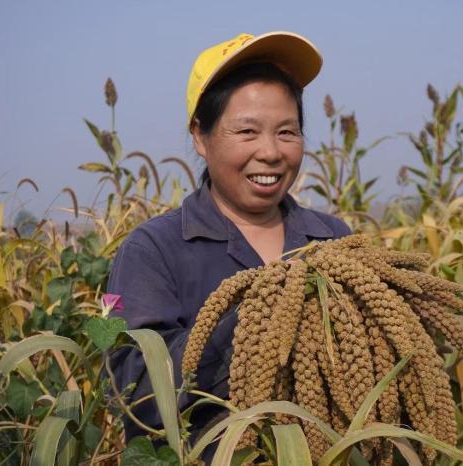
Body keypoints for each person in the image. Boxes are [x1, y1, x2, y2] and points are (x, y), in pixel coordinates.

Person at [106, 31, 351, 457]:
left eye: (287, 132)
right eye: (247, 131)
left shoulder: (333, 240)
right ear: (200, 137)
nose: (271, 152)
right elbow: (134, 391)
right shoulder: (150, 251)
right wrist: (259, 312)